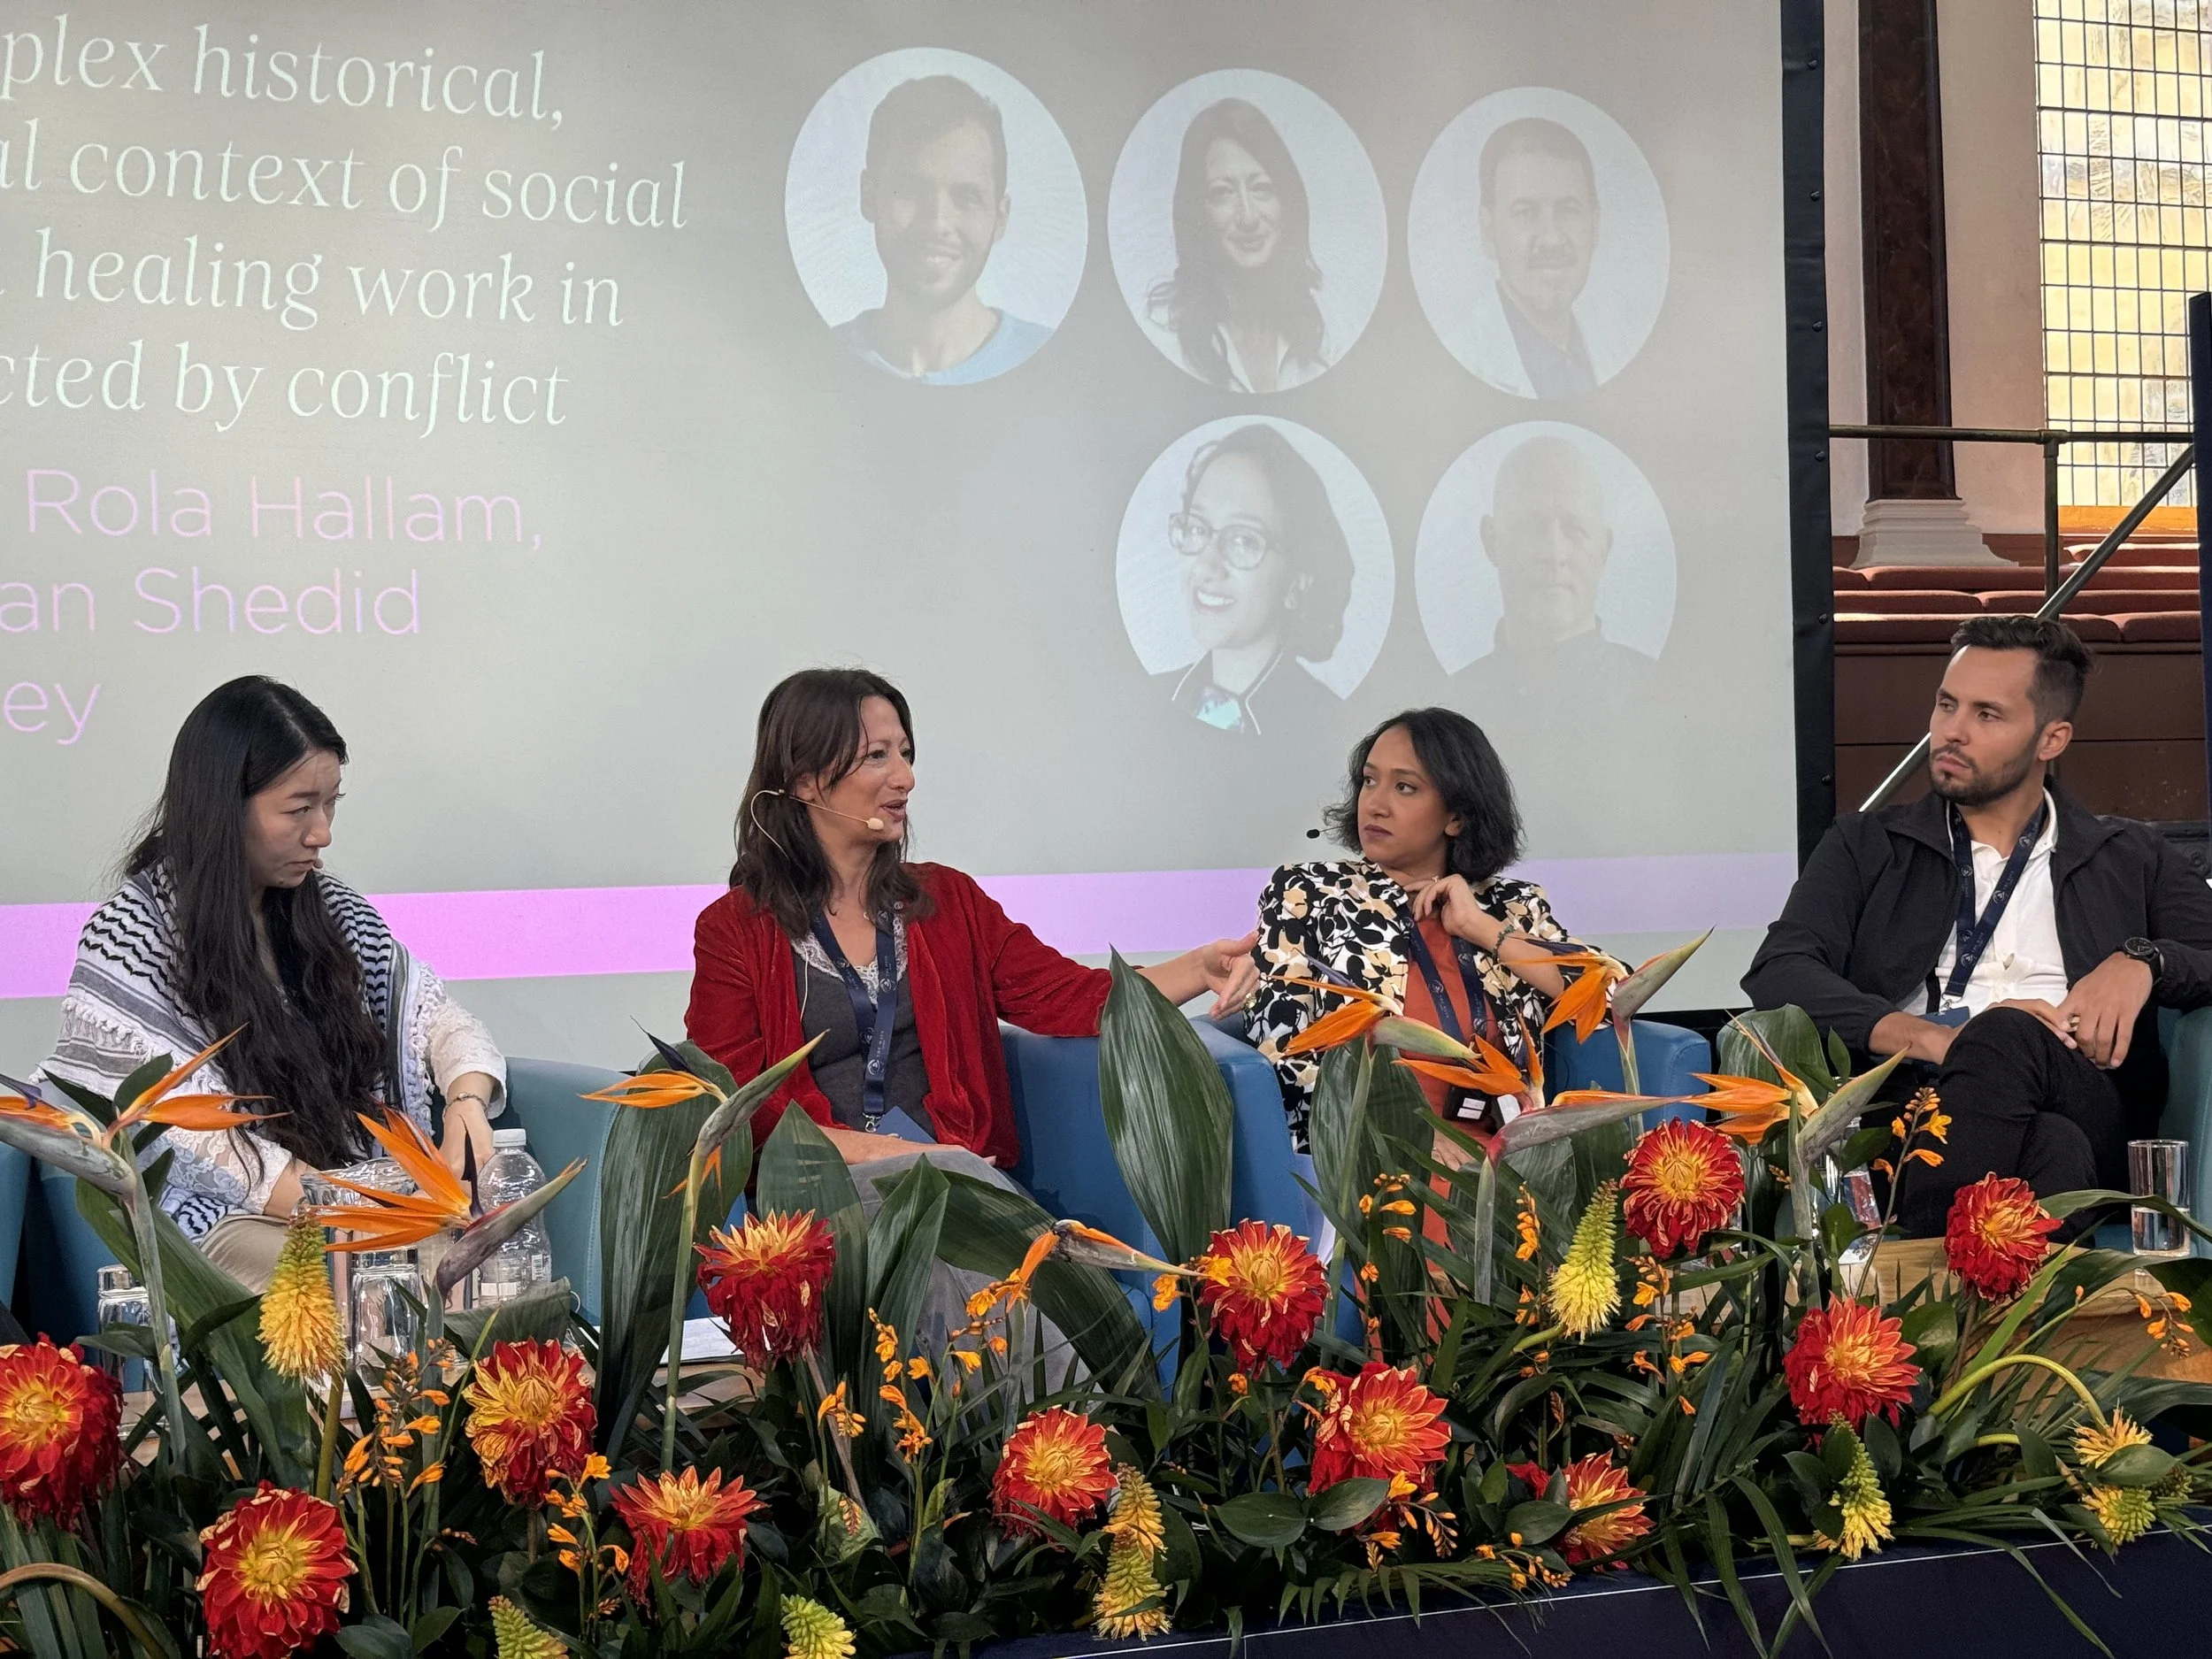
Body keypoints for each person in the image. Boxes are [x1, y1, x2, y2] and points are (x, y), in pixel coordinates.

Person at [687, 668, 1259, 1177]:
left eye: (907, 753)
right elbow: (735, 1106)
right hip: (822, 1193)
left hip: (958, 1181)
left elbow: (1071, 997)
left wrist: (1199, 965)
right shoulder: (734, 930)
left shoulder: (947, 899)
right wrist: (894, 1155)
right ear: (806, 780)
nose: (906, 777)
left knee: (1026, 1256)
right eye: (878, 756)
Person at [1743, 616, 2212, 1237]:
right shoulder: (1868, 845)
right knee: (2053, 1150)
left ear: (2052, 738)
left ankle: (1909, 1269)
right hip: (1910, 1110)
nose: (1951, 731)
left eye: (1987, 715)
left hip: (2082, 1088)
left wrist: (2141, 961)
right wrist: (1929, 1037)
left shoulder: (2128, 856)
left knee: (2012, 1037)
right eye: (1946, 703)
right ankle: (2022, 1327)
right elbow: (1779, 970)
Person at [35, 678, 506, 1290]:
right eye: (298, 808)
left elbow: (440, 1020)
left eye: (331, 803)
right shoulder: (134, 936)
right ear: (222, 806)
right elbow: (194, 1145)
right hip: (225, 1221)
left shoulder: (330, 910)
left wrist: (466, 1100)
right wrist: (369, 1216)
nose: (322, 832)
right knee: (415, 1269)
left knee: (488, 1236)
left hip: (349, 1208)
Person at [1249, 708, 1591, 1149]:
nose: (1375, 803)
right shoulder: (1309, 893)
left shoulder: (1511, 905)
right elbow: (1282, 1048)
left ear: (1456, 817)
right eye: (1369, 781)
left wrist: (1483, 928)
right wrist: (1409, 1135)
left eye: (1405, 787)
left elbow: (1606, 995)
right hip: (1369, 1150)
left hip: (1506, 1151)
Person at [833, 74, 1051, 385]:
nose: (937, 223)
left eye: (967, 198)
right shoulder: (808, 357)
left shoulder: (1061, 361)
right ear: (869, 197)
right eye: (910, 190)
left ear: (1000, 218)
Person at [1157, 424, 1354, 738]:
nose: (1207, 567)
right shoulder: (1151, 693)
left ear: (1296, 584)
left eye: (1244, 541)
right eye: (1197, 528)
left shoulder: (1332, 726)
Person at [1448, 433, 1653, 715]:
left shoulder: (1656, 692)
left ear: (1604, 549)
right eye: (1531, 528)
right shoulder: (1448, 701)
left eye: (1575, 530)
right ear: (1491, 541)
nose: (1554, 554)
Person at [1146, 98, 1331, 393]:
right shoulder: (1161, 341)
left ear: (1287, 202)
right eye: (1223, 193)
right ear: (1197, 211)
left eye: (1262, 189)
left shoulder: (1321, 343)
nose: (1248, 217)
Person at [1462, 117, 1635, 400]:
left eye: (1568, 210)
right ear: (1488, 231)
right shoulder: (1467, 358)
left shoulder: (1618, 355)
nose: (1552, 239)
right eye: (1525, 212)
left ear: (1595, 226)